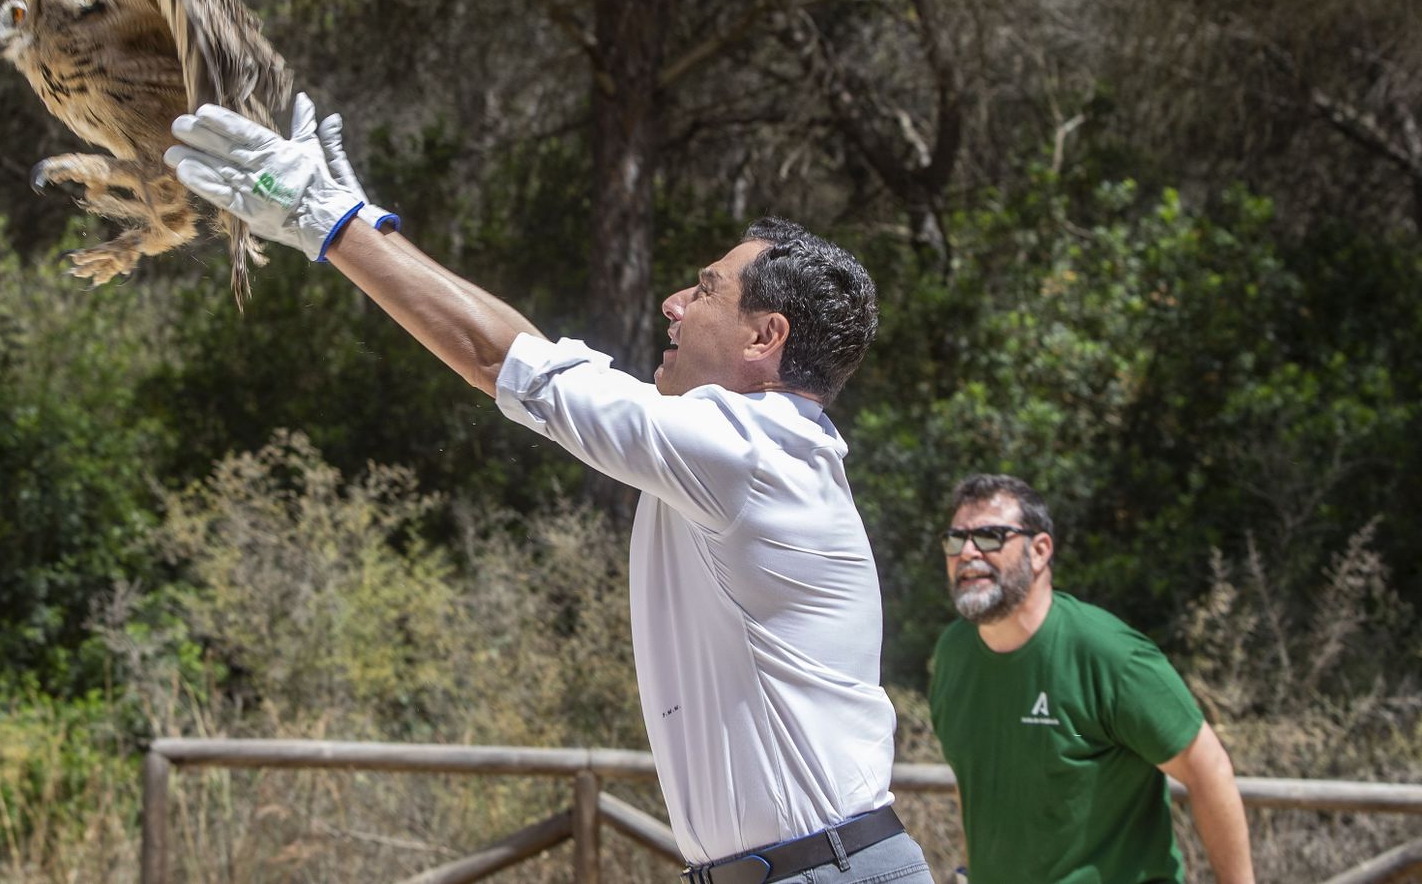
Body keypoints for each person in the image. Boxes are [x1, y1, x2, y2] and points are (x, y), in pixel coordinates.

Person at [162, 95, 935, 884]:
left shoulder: (749, 450)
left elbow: (506, 363)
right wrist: (370, 234)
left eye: (704, 290)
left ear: (765, 337)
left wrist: (333, 222)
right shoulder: (742, 452)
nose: (673, 302)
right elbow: (530, 359)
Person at [928, 473, 1255, 884]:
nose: (968, 552)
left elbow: (1209, 770)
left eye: (990, 536)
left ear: (1040, 550)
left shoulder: (1110, 654)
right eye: (955, 540)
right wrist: (969, 868)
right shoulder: (953, 654)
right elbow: (973, 780)